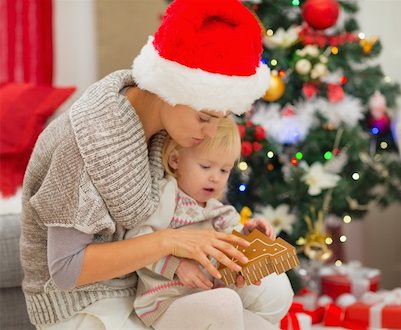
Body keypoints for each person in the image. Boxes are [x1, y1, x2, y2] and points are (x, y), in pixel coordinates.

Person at [20, 0, 292, 328]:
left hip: (147, 284)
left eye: (217, 120)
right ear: (170, 88)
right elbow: (65, 270)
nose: (209, 133)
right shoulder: (84, 140)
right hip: (86, 304)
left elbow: (190, 211)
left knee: (275, 293)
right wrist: (170, 243)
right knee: (223, 310)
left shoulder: (166, 131)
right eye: (204, 118)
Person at [125, 117, 292, 329]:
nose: (215, 178)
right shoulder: (167, 195)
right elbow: (136, 240)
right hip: (165, 304)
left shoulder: (217, 210)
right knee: (227, 302)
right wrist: (177, 266)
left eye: (224, 170)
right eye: (206, 166)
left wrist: (249, 233)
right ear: (175, 160)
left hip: (206, 298)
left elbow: (232, 240)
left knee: (266, 317)